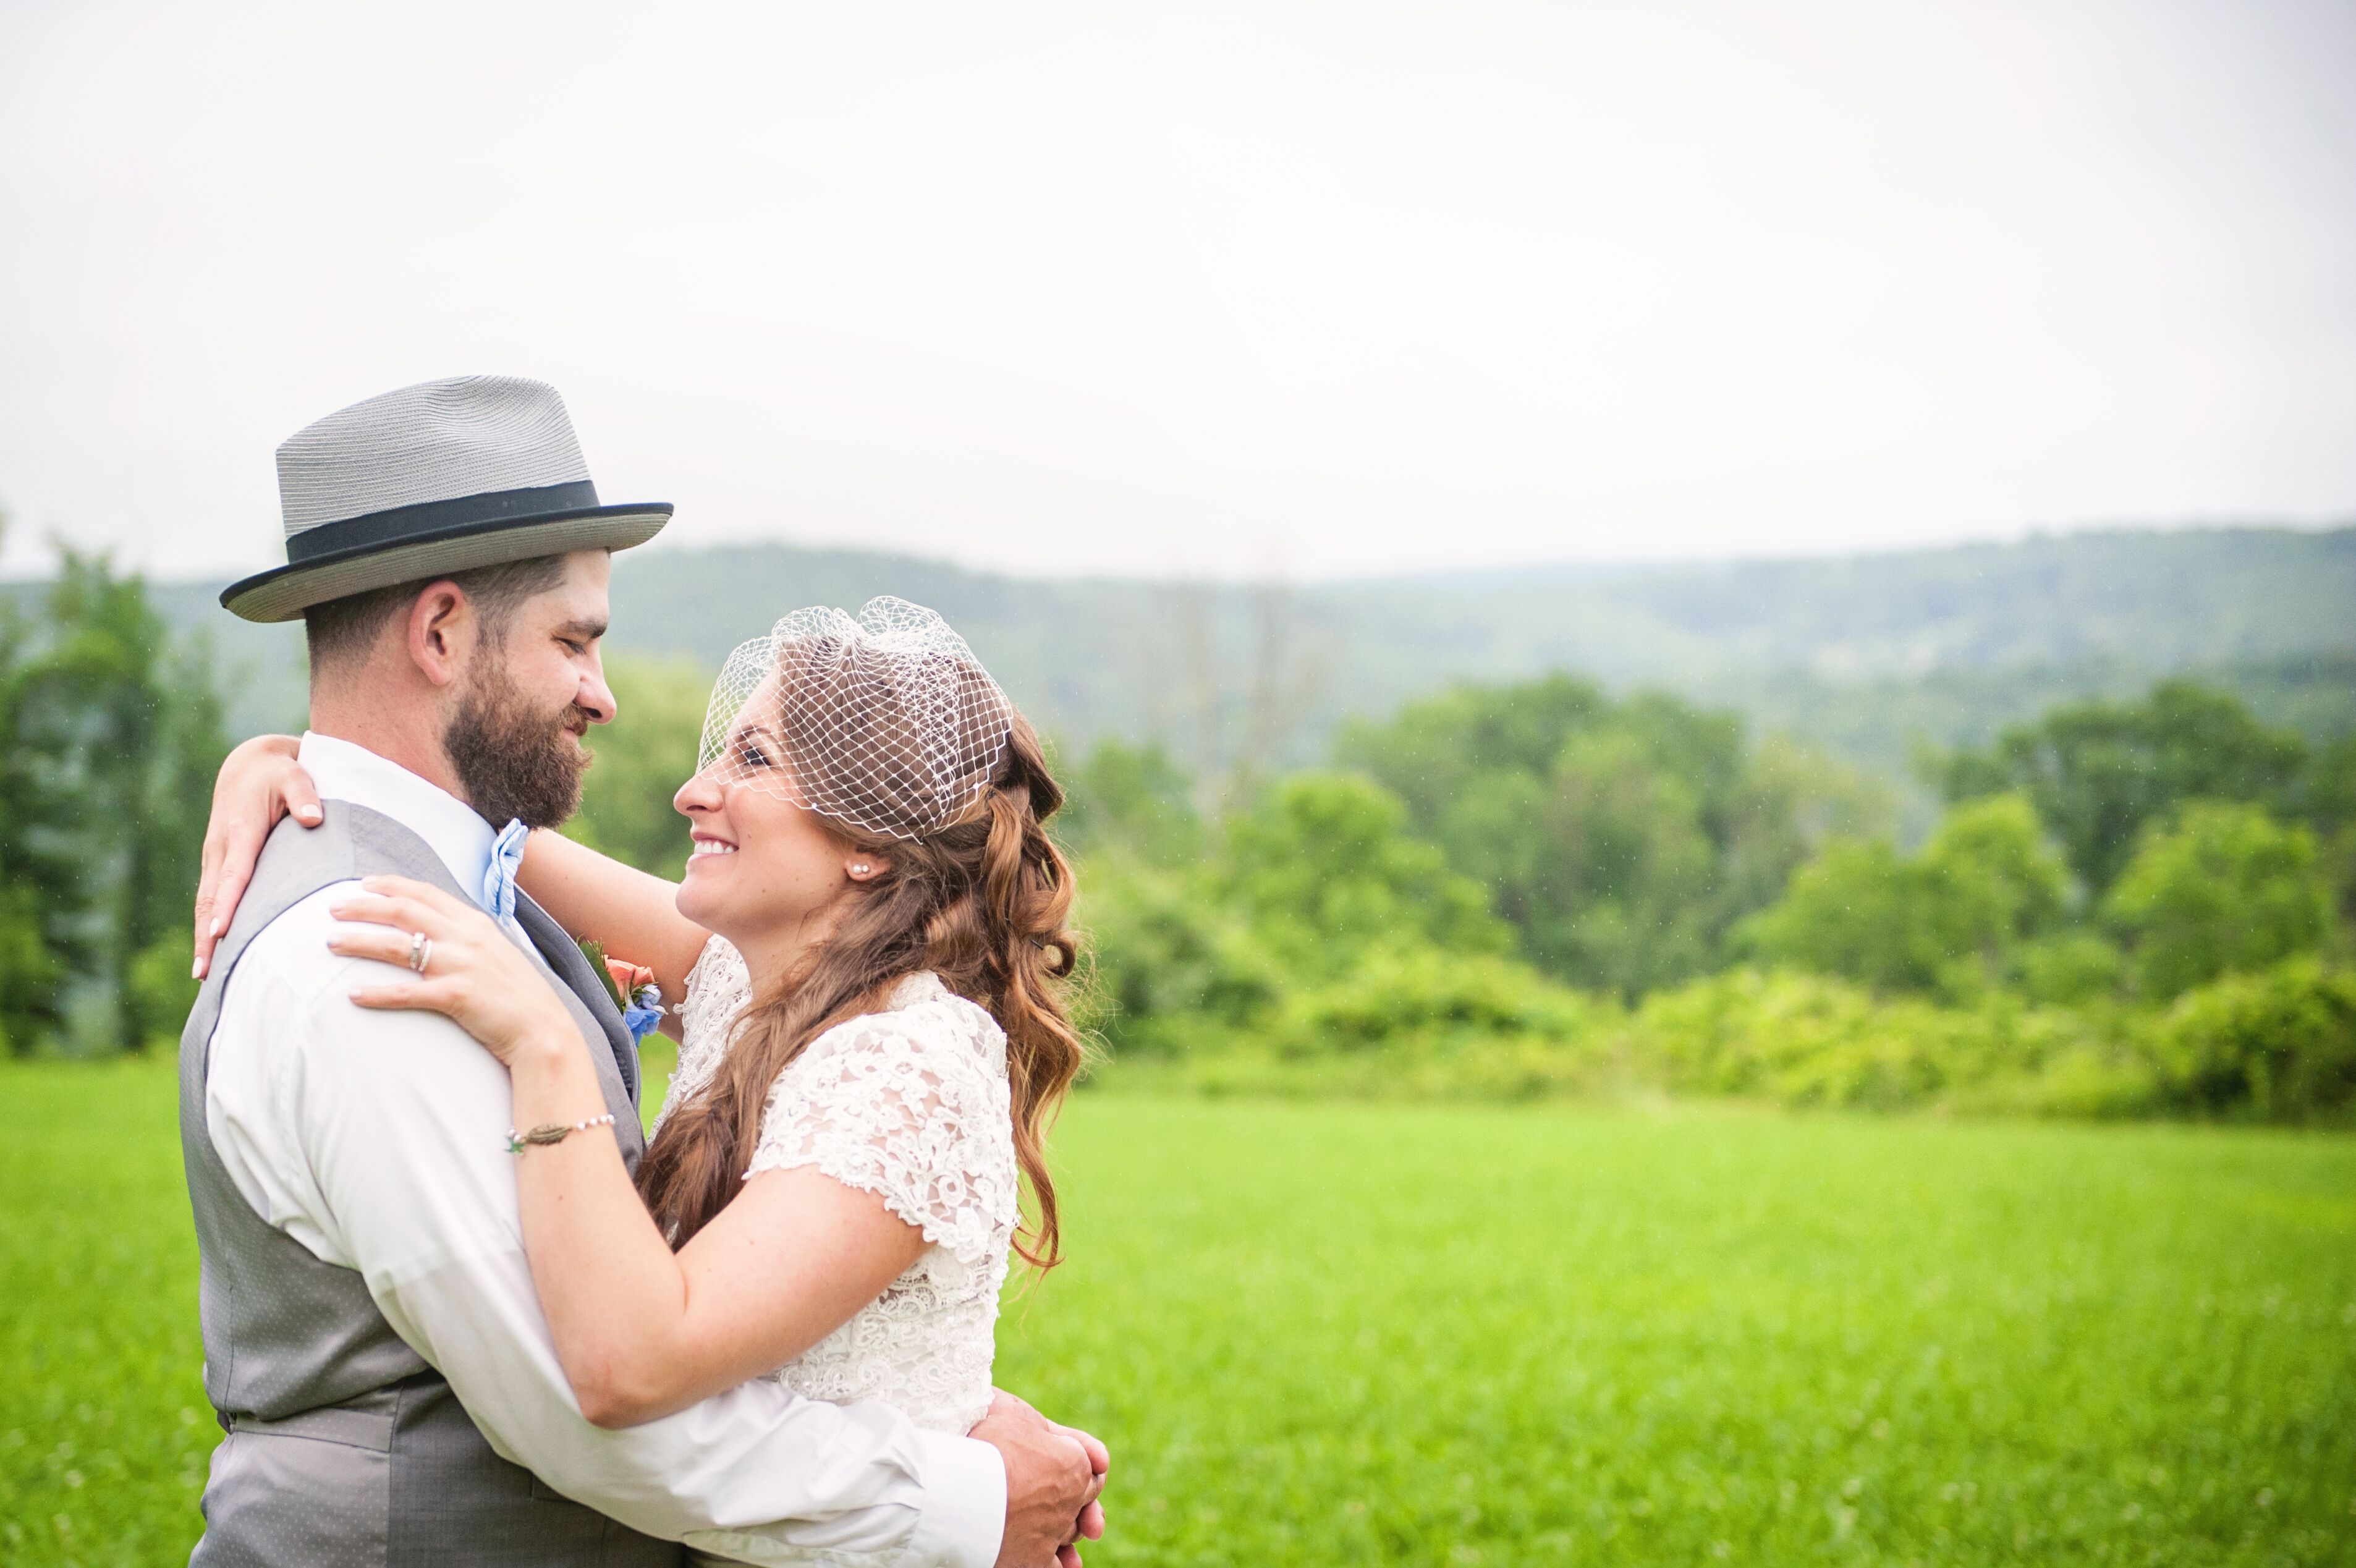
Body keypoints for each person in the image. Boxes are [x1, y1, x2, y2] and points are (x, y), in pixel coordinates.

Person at [184, 375, 1104, 1567]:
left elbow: (629, 1363)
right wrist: (293, 759)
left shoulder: (889, 1052)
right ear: (442, 632)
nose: (672, 767)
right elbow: (595, 1397)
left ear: (871, 847)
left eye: (755, 756)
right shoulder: (373, 950)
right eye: (575, 640)